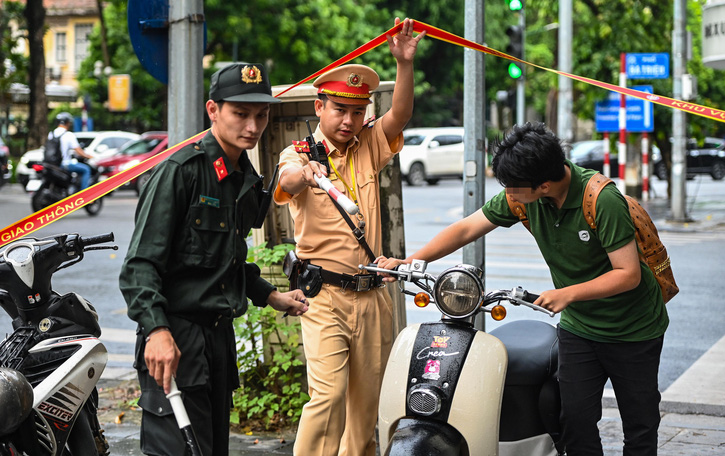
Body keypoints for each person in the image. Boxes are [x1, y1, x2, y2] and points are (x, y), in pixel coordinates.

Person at [380, 122, 670, 456]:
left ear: (544, 185)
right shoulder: (524, 196)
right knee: (574, 422)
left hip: (634, 330)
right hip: (580, 329)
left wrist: (566, 294)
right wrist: (410, 262)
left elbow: (628, 274)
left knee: (640, 424)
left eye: (513, 188)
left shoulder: (602, 200)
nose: (509, 195)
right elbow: (466, 229)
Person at [119, 62, 309, 456]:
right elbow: (140, 265)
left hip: (218, 341)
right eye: (240, 114)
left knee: (209, 449)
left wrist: (272, 297)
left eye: (261, 114)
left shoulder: (244, 177)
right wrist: (156, 331)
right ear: (213, 110)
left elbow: (227, 260)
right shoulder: (181, 171)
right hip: (175, 336)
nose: (253, 126)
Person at [273, 17, 425, 456]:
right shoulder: (298, 153)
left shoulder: (369, 144)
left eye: (357, 111)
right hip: (323, 296)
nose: (349, 119)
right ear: (319, 107)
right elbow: (287, 180)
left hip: (373, 293)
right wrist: (306, 173)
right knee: (328, 397)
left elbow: (401, 113)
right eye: (340, 109)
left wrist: (404, 64)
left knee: (366, 409)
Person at [51, 112, 93, 189]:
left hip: (53, 164)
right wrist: (88, 156)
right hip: (65, 164)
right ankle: (84, 194)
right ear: (67, 122)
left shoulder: (51, 133)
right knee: (86, 169)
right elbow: (78, 151)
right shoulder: (68, 135)